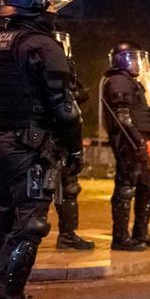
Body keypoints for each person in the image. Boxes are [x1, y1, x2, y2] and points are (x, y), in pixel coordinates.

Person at [0, 0, 83, 299]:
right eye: (48, 1)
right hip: (27, 147)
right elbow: (64, 109)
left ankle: (9, 295)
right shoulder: (41, 44)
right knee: (30, 225)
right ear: (35, 4)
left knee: (3, 223)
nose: (53, 8)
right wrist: (75, 148)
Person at [102, 41, 150, 251]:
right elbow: (123, 118)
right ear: (122, 60)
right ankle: (120, 238)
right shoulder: (119, 80)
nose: (138, 64)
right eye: (133, 59)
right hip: (129, 143)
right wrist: (137, 140)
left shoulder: (133, 82)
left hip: (141, 141)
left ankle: (141, 233)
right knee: (126, 189)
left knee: (147, 187)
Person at [52, 30, 94, 250]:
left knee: (68, 188)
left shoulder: (66, 70)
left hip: (63, 137)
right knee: (33, 192)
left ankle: (67, 234)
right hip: (42, 136)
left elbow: (82, 92)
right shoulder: (40, 65)